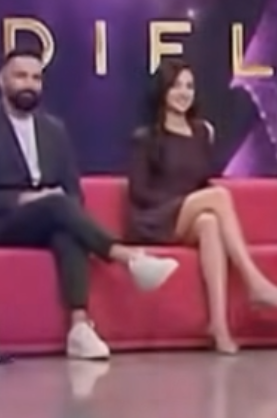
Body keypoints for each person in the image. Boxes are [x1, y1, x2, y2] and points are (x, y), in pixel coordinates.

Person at [0, 48, 179, 360]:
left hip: (49, 217)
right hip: (6, 219)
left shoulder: (54, 130)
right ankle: (128, 257)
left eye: (36, 78)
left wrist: (55, 202)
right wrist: (22, 199)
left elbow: (74, 191)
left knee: (67, 231)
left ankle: (80, 328)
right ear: (3, 80)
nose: (29, 84)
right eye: (20, 76)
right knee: (57, 206)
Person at [126, 58, 277, 355]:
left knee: (209, 223)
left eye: (189, 86)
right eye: (176, 86)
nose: (184, 93)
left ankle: (218, 326)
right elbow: (139, 192)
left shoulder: (201, 133)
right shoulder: (145, 138)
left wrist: (194, 203)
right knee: (218, 196)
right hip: (153, 219)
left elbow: (201, 179)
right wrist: (185, 202)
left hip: (186, 215)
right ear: (163, 91)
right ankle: (255, 283)